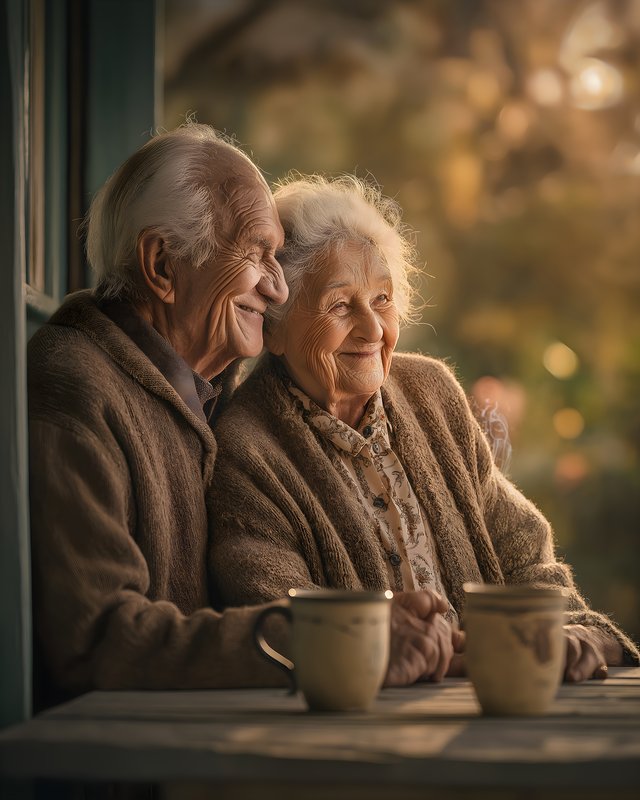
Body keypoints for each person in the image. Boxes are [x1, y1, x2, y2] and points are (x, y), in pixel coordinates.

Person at [28, 125, 461, 707]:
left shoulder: (201, 388)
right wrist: (342, 639)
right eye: (257, 254)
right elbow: (99, 639)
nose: (278, 290)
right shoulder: (75, 389)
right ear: (161, 265)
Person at [210, 173, 639, 682]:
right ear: (274, 329)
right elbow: (281, 623)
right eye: (340, 305)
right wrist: (455, 655)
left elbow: (524, 554)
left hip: (498, 700)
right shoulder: (245, 448)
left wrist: (573, 631)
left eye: (382, 299)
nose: (373, 329)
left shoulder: (431, 393)